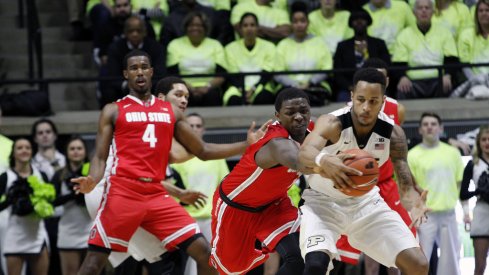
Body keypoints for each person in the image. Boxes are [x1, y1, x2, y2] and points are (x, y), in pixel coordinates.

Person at [72, 50, 267, 275]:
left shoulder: (170, 111)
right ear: (125, 74)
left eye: (144, 67)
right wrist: (92, 179)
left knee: (205, 252)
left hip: (156, 193)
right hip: (122, 192)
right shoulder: (113, 110)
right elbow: (99, 156)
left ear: (152, 71)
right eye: (134, 68)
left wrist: (247, 144)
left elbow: (202, 150)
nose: (140, 72)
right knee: (94, 262)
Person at [297, 68, 429, 275]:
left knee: (418, 265)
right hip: (322, 203)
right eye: (360, 99)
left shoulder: (393, 134)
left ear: (383, 101)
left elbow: (404, 183)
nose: (366, 107)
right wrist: (324, 160)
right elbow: (304, 152)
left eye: (373, 101)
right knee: (315, 266)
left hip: (366, 204)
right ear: (352, 97)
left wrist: (414, 202)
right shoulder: (333, 123)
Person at [210, 87, 310, 275]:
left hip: (274, 205)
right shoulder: (276, 143)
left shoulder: (313, 134)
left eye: (303, 111)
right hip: (236, 207)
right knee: (231, 271)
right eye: (290, 113)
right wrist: (333, 164)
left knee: (299, 258)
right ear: (278, 116)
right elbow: (300, 162)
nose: (298, 117)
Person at [171, 113, 230, 275]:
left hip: (212, 219)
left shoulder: (216, 157)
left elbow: (224, 187)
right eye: (191, 126)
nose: (195, 129)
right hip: (185, 219)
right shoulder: (175, 156)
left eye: (198, 126)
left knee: (213, 262)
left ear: (203, 129)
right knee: (187, 265)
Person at [408, 112, 465, 275]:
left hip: (449, 215)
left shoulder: (453, 153)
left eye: (433, 124)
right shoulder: (412, 156)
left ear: (441, 128)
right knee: (420, 260)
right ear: (420, 130)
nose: (429, 127)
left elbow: (459, 183)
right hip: (424, 217)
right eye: (425, 124)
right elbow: (409, 189)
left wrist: (466, 211)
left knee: (452, 260)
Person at [0, 138, 53, 275]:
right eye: (20, 148)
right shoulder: (6, 177)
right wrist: (10, 201)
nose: (24, 150)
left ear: (32, 151)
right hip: (15, 234)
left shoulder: (41, 175)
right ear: (13, 153)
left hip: (37, 235)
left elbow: (51, 202)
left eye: (27, 147)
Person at [392, 0, 459, 99]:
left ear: (433, 12)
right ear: (414, 13)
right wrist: (402, 77)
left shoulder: (445, 33)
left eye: (427, 8)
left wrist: (448, 75)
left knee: (449, 87)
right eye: (420, 8)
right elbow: (398, 63)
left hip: (438, 81)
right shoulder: (404, 35)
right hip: (413, 82)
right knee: (402, 90)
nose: (424, 11)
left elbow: (452, 59)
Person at [275, 2, 333, 106]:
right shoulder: (283, 45)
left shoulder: (319, 43)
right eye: (295, 21)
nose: (299, 25)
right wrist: (294, 85)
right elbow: (278, 73)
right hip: (289, 88)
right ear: (291, 24)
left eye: (302, 21)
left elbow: (327, 68)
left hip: (314, 87)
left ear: (308, 23)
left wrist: (310, 82)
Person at [102, 15, 165, 107]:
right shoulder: (115, 48)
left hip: (151, 86)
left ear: (144, 32)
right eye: (130, 31)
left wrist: (144, 84)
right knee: (108, 89)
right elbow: (113, 75)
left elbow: (160, 73)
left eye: (138, 31)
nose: (134, 34)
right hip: (123, 87)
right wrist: (129, 85)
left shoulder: (156, 47)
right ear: (125, 33)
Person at [166, 11, 226, 106]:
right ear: (186, 28)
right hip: (183, 88)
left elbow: (221, 75)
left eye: (199, 25)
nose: (195, 28)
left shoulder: (215, 45)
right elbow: (173, 74)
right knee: (183, 95)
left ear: (205, 28)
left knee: (213, 95)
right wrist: (189, 87)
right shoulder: (175, 45)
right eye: (191, 25)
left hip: (210, 89)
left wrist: (207, 87)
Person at [51, 136, 92, 275]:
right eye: (72, 148)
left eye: (79, 148)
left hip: (90, 230)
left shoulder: (93, 173)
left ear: (85, 152)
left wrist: (83, 194)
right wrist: (71, 195)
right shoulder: (59, 175)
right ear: (67, 152)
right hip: (68, 231)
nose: (76, 151)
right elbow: (52, 202)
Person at [333, 9, 390, 101]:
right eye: (355, 20)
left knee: (385, 98)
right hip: (349, 89)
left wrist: (375, 84)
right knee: (342, 98)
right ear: (351, 24)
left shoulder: (379, 44)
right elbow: (337, 73)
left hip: (376, 86)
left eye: (362, 19)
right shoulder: (342, 46)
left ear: (368, 22)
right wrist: (350, 87)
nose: (359, 22)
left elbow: (386, 66)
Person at [223, 12, 277, 106]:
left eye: (252, 25)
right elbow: (233, 75)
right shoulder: (230, 48)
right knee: (234, 100)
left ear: (257, 28)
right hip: (237, 89)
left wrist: (253, 89)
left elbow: (267, 74)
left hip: (261, 87)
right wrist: (243, 91)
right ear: (240, 29)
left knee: (265, 98)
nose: (249, 28)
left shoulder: (270, 47)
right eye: (245, 25)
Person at [460, 125, 489, 275]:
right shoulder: (472, 164)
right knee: (480, 266)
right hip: (482, 212)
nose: (487, 143)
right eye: (484, 139)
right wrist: (479, 190)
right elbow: (463, 194)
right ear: (478, 142)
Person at [457, 0, 489, 79]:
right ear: (476, 15)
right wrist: (475, 80)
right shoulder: (466, 35)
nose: (484, 13)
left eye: (487, 10)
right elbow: (465, 64)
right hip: (475, 81)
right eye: (480, 11)